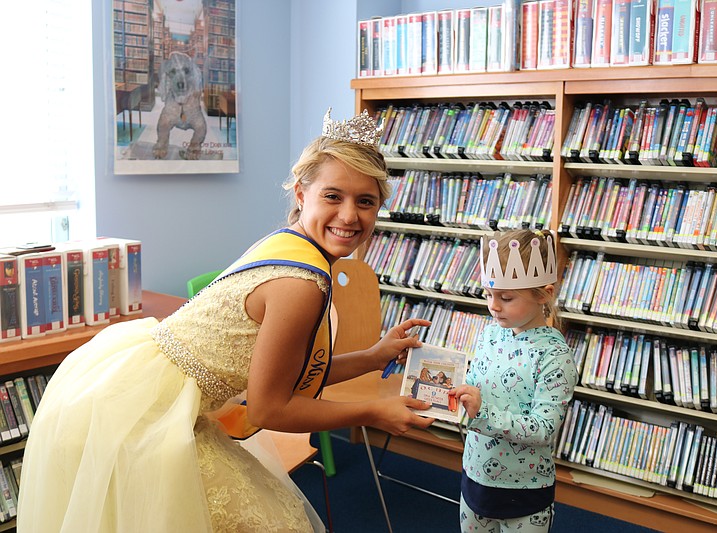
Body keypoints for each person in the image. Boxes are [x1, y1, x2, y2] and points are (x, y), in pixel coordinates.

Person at [17, 108, 434, 533]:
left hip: (146, 392)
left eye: (365, 202)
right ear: (301, 194)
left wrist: (371, 357)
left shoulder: (291, 243)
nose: (349, 216)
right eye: (333, 196)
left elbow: (289, 372)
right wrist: (371, 412)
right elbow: (272, 407)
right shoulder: (301, 285)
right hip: (149, 415)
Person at [449, 229, 578, 533]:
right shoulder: (490, 333)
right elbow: (474, 384)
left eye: (506, 298)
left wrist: (482, 413)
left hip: (524, 492)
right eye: (488, 295)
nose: (494, 306)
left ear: (544, 294)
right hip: (476, 476)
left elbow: (544, 429)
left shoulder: (554, 356)